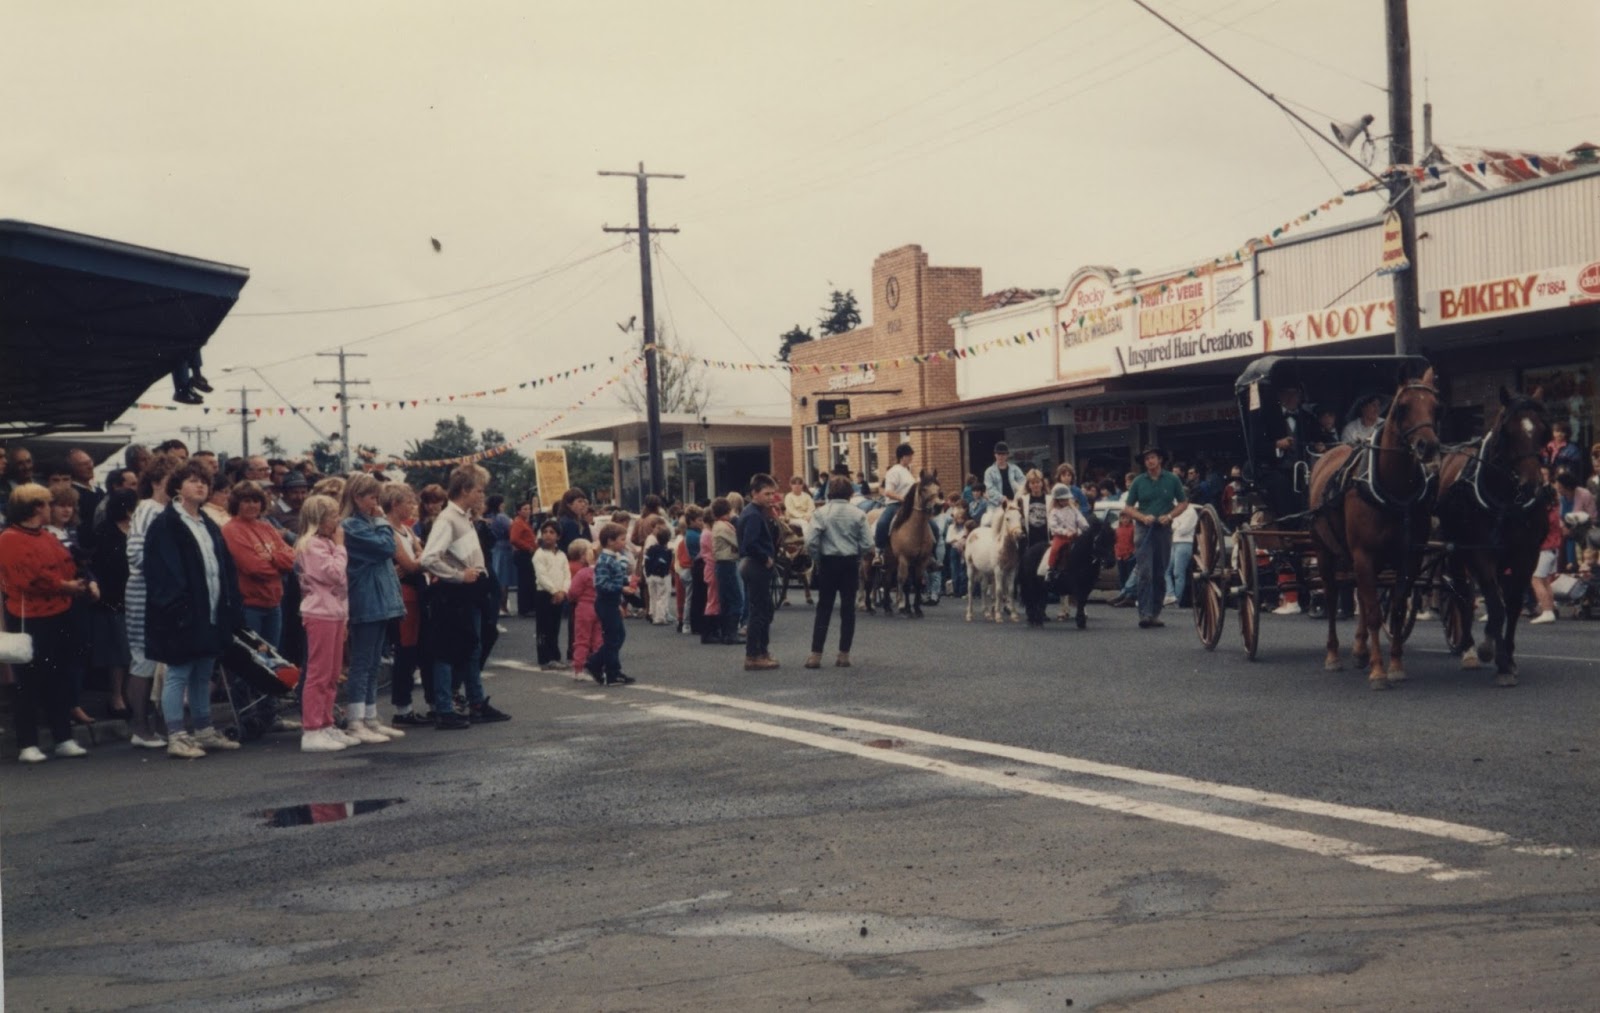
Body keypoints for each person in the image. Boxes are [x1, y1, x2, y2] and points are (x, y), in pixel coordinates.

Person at [143, 462, 245, 759]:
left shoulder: (207, 522)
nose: (200, 486)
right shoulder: (167, 523)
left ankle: (204, 729)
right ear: (177, 487)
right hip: (183, 614)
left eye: (203, 482)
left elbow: (222, 567)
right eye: (192, 481)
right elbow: (163, 573)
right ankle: (176, 735)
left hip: (211, 612)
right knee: (178, 672)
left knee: (203, 672)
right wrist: (179, 608)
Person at [0, 483, 95, 762]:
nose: (51, 507)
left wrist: (74, 581)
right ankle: (27, 743)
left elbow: (66, 563)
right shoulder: (9, 539)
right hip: (29, 616)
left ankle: (63, 737)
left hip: (59, 612)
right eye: (46, 503)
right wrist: (65, 585)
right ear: (35, 507)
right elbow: (26, 578)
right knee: (28, 680)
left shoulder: (47, 536)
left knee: (59, 677)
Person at [418, 464, 510, 728]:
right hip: (454, 593)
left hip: (470, 591)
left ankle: (476, 701)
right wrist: (458, 576)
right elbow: (429, 557)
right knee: (448, 650)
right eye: (479, 490)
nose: (482, 495)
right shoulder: (448, 519)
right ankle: (445, 708)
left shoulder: (462, 517)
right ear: (466, 490)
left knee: (472, 647)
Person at [341, 474, 406, 742]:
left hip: (381, 600)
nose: (376, 503)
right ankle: (355, 720)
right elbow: (387, 547)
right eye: (372, 497)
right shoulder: (351, 526)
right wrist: (382, 521)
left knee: (373, 661)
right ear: (356, 497)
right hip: (366, 599)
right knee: (362, 661)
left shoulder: (368, 523)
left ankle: (369, 716)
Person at [123, 452, 182, 749]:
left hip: (164, 594)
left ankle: (160, 724)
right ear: (158, 480)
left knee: (163, 660)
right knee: (143, 658)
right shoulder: (147, 509)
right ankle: (140, 727)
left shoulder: (171, 509)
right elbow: (136, 554)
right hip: (144, 593)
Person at [295, 494, 357, 751]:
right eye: (332, 515)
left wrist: (344, 618)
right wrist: (341, 547)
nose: (338, 520)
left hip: (335, 614)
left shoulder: (327, 544)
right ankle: (311, 729)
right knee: (318, 673)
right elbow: (333, 574)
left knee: (332, 673)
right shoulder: (312, 545)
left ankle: (326, 723)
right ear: (318, 519)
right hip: (319, 614)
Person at [804, 475, 872, 669]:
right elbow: (868, 543)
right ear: (850, 493)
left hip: (827, 562)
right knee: (848, 609)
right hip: (849, 563)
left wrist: (817, 558)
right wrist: (858, 554)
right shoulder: (858, 514)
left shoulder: (821, 513)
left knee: (824, 608)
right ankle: (843, 655)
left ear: (829, 492)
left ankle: (815, 655)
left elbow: (810, 542)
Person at [221, 481, 296, 651]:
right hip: (249, 607)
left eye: (256, 501)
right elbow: (254, 567)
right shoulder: (231, 529)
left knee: (272, 660)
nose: (252, 505)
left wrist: (272, 559)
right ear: (236, 503)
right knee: (252, 663)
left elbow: (292, 559)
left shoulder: (266, 527)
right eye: (246, 501)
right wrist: (279, 564)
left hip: (274, 605)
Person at [1122, 447, 1189, 629]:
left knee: (1160, 572)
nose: (1149, 462)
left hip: (1163, 529)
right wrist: (1142, 517)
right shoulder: (1138, 481)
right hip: (1144, 529)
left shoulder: (1172, 479)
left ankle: (1155, 613)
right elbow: (1128, 508)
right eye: (1146, 459)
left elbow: (1183, 503)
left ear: (1159, 459)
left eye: (1152, 458)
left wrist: (1170, 516)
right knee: (1145, 572)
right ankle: (1144, 614)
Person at [383, 483, 432, 727]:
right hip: (405, 596)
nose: (412, 507)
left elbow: (421, 557)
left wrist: (420, 556)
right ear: (394, 504)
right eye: (408, 503)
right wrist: (421, 557)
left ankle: (408, 706)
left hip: (416, 592)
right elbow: (414, 563)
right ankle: (402, 708)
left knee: (418, 649)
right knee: (406, 650)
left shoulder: (408, 530)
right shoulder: (391, 532)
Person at [91, 487, 138, 721]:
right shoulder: (105, 532)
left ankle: (130, 693)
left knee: (133, 651)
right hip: (114, 598)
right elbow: (103, 566)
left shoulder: (139, 530)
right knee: (118, 652)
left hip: (136, 597)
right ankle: (116, 696)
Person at [1257, 384, 1317, 522]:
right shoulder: (1266, 418)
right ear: (1280, 396)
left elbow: (1316, 437)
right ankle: (1290, 526)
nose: (1292, 398)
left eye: (1295, 394)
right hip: (1276, 468)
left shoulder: (1307, 417)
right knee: (1282, 486)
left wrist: (1317, 445)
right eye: (1287, 394)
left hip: (1303, 468)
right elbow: (1257, 446)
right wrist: (1277, 445)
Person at [738, 475, 781, 670]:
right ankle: (754, 654)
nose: (771, 497)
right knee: (759, 612)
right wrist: (766, 558)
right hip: (756, 566)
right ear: (754, 493)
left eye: (773, 493)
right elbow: (750, 543)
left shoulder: (757, 512)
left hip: (755, 566)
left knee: (765, 610)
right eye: (766, 494)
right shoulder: (753, 515)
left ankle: (761, 651)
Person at [591, 522, 635, 685]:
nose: (624, 543)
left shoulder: (615, 558)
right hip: (605, 602)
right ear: (610, 541)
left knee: (618, 636)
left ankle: (603, 665)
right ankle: (609, 671)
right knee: (612, 638)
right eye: (622, 539)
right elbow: (601, 584)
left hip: (612, 602)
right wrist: (621, 588)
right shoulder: (605, 560)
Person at [532, 520, 570, 668]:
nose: (548, 535)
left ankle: (555, 656)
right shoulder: (539, 554)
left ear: (558, 536)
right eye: (545, 532)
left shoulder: (561, 555)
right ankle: (545, 658)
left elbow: (567, 574)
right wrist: (554, 591)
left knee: (555, 626)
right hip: (544, 594)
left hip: (559, 594)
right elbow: (542, 576)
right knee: (543, 627)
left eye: (552, 532)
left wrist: (563, 591)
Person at [872, 444, 917, 556]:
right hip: (895, 505)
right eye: (909, 455)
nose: (911, 458)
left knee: (932, 526)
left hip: (910, 505)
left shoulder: (908, 471)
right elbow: (888, 492)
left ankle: (930, 555)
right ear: (903, 457)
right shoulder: (894, 471)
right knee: (882, 523)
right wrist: (902, 498)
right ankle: (879, 552)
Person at [567, 540, 603, 679]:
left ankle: (579, 668)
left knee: (582, 638)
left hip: (583, 608)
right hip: (598, 606)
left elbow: (573, 592)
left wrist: (571, 599)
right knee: (598, 639)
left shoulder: (583, 573)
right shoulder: (601, 573)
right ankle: (597, 664)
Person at [709, 497, 742, 645]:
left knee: (726, 599)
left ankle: (726, 632)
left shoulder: (716, 526)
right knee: (735, 599)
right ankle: (731, 633)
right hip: (727, 563)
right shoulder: (724, 527)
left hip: (721, 565)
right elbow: (738, 542)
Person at [1046, 483, 1089, 576]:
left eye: (1066, 499)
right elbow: (1053, 525)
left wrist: (1084, 528)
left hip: (1074, 535)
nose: (1064, 501)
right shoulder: (1054, 512)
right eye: (1062, 500)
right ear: (1056, 500)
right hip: (1060, 537)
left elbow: (1080, 519)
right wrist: (1065, 532)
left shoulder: (1073, 510)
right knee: (1055, 549)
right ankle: (1051, 568)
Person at [1164, 500, 1199, 608]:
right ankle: (1170, 594)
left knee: (1178, 573)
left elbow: (1183, 529)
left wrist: (1176, 526)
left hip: (1185, 543)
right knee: (1166, 570)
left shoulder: (1191, 512)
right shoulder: (1178, 511)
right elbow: (1174, 525)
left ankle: (1176, 600)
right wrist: (1176, 526)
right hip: (1174, 542)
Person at [510, 501, 537, 617]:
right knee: (525, 581)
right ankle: (525, 608)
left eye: (529, 509)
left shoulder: (524, 522)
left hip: (526, 554)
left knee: (528, 580)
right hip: (523, 554)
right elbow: (514, 539)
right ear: (519, 511)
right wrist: (529, 547)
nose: (528, 511)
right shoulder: (518, 523)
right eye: (524, 509)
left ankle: (528, 607)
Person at [644, 526, 674, 625]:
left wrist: (648, 573)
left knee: (653, 595)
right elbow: (664, 563)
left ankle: (652, 614)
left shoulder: (651, 549)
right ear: (668, 539)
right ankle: (660, 618)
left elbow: (647, 560)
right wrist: (663, 573)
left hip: (650, 575)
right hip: (661, 575)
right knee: (662, 596)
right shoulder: (667, 551)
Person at [983, 442, 1027, 509]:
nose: (1001, 456)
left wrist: (1019, 495)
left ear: (1007, 455)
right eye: (999, 454)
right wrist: (1001, 498)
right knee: (988, 519)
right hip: (996, 506)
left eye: (1003, 454)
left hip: (1014, 504)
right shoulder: (989, 472)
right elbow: (990, 489)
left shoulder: (1015, 469)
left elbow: (1023, 482)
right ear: (995, 455)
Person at [1015, 470, 1050, 551]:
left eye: (1038, 482)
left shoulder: (1050, 499)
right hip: (1029, 542)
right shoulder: (1022, 500)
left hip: (1045, 539)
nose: (1035, 485)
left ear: (1042, 483)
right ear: (1028, 485)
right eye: (1032, 483)